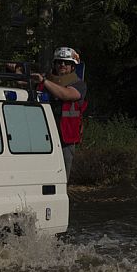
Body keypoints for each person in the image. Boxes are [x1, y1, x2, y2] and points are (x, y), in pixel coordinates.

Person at [31, 47, 87, 180]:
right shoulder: (45, 81)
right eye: (59, 62)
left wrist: (44, 82)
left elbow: (66, 94)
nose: (62, 65)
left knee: (61, 176)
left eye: (66, 63)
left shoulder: (79, 84)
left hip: (65, 139)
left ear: (73, 67)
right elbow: (23, 84)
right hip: (42, 137)